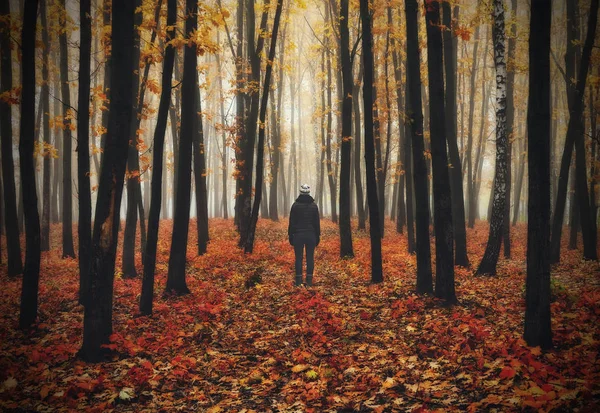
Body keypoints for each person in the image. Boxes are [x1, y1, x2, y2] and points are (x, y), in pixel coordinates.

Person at [288, 184, 320, 287]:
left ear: (300, 192)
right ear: (309, 193)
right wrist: (318, 236)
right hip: (311, 235)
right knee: (310, 257)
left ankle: (298, 281)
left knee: (298, 258)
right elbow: (316, 223)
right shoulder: (314, 206)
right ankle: (309, 281)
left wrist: (290, 235)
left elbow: (292, 222)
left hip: (298, 235)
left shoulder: (295, 205)